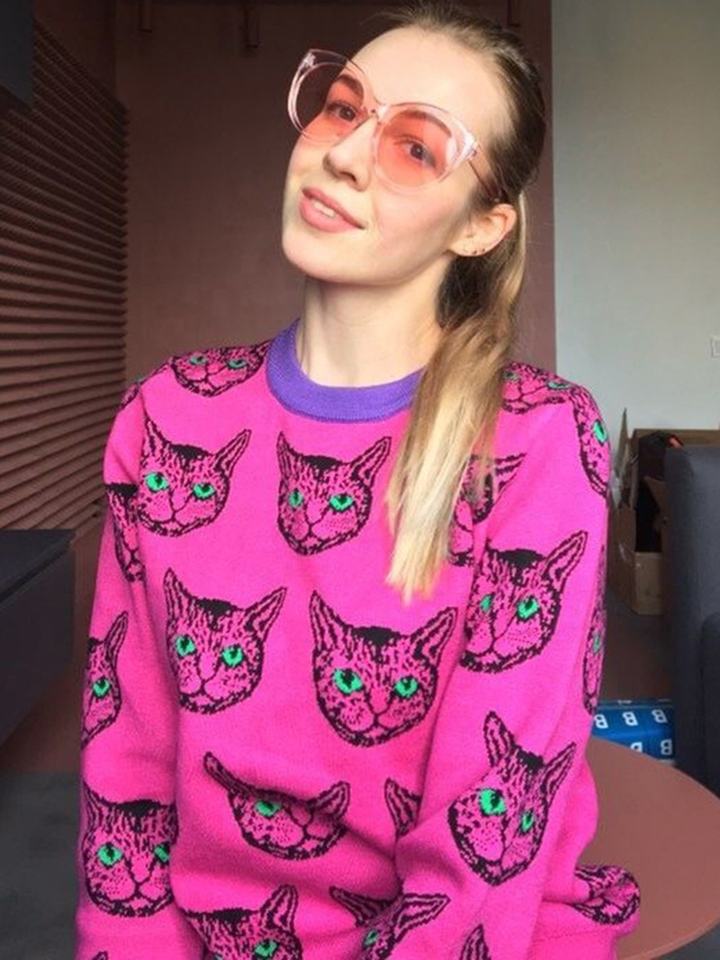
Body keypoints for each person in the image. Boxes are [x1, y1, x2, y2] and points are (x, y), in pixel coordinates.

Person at [74, 1, 641, 957]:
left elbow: (481, 854)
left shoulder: (540, 441)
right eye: (344, 108)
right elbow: (124, 761)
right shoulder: (166, 417)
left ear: (482, 225)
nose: (342, 154)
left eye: (415, 147)